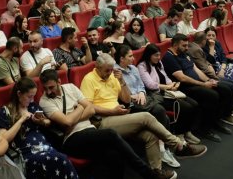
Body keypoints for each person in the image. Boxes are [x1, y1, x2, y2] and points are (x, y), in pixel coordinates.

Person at [39, 69, 177, 179]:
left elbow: (91, 109)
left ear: (58, 81)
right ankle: (148, 173)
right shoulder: (44, 101)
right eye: (45, 89)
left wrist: (78, 111)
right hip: (71, 139)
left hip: (90, 130)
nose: (48, 92)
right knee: (111, 134)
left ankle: (150, 172)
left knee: (115, 155)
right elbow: (67, 122)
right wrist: (81, 107)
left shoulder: (70, 87)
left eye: (51, 87)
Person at [81, 54, 206, 174]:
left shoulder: (113, 76)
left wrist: (122, 81)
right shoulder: (89, 79)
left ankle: (156, 172)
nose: (109, 73)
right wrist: (112, 111)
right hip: (102, 121)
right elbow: (89, 107)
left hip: (119, 116)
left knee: (151, 135)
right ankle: (177, 144)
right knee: (146, 116)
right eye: (106, 71)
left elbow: (126, 100)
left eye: (111, 70)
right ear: (97, 68)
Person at [113, 45, 183, 168]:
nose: (133, 58)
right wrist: (133, 96)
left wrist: (141, 93)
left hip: (142, 99)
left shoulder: (133, 68)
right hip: (129, 102)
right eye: (130, 56)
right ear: (121, 59)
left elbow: (141, 86)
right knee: (160, 110)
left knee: (163, 115)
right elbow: (117, 92)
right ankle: (165, 148)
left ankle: (163, 148)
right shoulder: (115, 72)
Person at [0, 77, 78, 179]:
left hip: (44, 146)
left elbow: (48, 122)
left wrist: (41, 121)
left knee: (60, 159)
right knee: (58, 159)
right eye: (29, 96)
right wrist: (21, 120)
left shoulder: (32, 106)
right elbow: (4, 139)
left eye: (34, 96)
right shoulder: (4, 111)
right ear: (19, 94)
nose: (32, 100)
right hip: (26, 152)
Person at [162, 34, 233, 140]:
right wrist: (203, 84)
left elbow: (196, 70)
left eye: (187, 45)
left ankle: (217, 120)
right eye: (184, 45)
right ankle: (204, 129)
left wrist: (208, 80)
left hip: (197, 83)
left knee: (224, 89)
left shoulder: (183, 54)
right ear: (175, 45)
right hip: (185, 87)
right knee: (212, 95)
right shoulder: (169, 57)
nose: (186, 48)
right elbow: (182, 78)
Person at [137, 44, 202, 144]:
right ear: (149, 55)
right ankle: (179, 134)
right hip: (156, 94)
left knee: (194, 104)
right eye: (155, 55)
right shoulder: (142, 66)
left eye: (159, 55)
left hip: (168, 91)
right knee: (185, 107)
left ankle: (187, 131)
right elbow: (150, 85)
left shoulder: (159, 63)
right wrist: (167, 87)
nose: (158, 58)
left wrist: (172, 84)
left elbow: (166, 77)